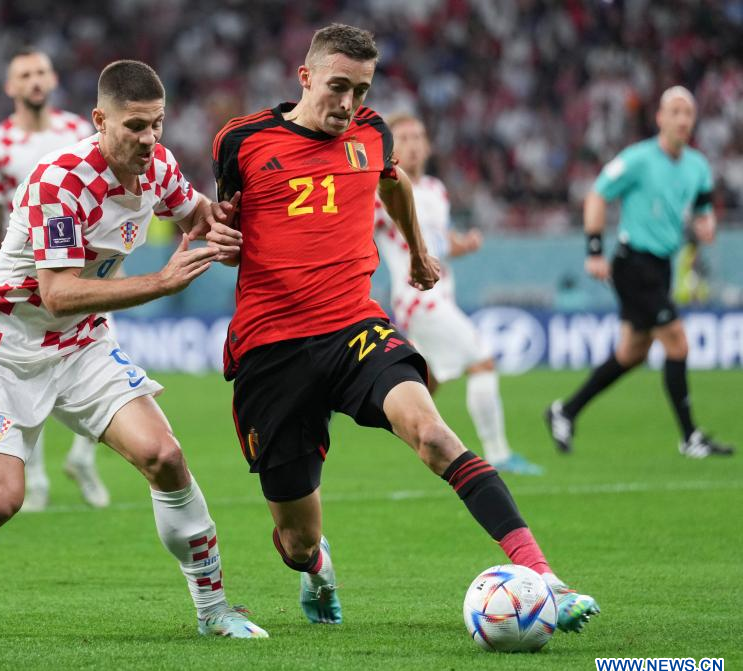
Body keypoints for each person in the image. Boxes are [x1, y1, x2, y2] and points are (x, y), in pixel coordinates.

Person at [210, 23, 597, 631]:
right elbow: (224, 222)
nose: (349, 103)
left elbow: (394, 183)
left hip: (353, 328)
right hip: (271, 348)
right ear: (305, 77)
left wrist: (418, 251)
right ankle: (318, 568)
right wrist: (221, 237)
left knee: (435, 435)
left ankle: (545, 577)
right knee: (297, 541)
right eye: (338, 87)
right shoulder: (242, 141)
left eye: (361, 90)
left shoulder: (371, 134)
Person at [0, 60, 267, 642]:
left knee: (164, 456)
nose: (149, 138)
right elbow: (58, 294)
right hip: (2, 347)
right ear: (100, 120)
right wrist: (161, 282)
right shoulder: (61, 181)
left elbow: (198, 216)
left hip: (81, 345)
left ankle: (213, 610)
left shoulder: (158, 166)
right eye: (135, 126)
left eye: (157, 123)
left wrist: (225, 228)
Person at [545, 86, 734, 459]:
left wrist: (706, 224)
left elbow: (703, 208)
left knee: (632, 352)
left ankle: (565, 411)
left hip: (662, 266)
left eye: (688, 113)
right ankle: (690, 437)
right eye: (674, 111)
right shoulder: (638, 159)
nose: (682, 119)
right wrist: (594, 250)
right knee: (677, 342)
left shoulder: (697, 166)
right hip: (633, 263)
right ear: (660, 118)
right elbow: (598, 194)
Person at [0, 47, 107, 511]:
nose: (34, 80)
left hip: (81, 265)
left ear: (53, 80)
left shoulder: (78, 132)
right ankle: (38, 478)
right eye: (25, 74)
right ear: (10, 86)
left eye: (41, 72)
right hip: (28, 274)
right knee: (32, 368)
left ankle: (82, 457)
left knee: (100, 354)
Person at [373, 114, 542, 475]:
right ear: (391, 147)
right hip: (419, 299)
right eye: (404, 138)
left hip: (440, 295)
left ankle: (370, 415)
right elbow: (358, 225)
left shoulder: (436, 190)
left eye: (418, 136)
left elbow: (439, 243)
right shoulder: (383, 190)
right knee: (481, 362)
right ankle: (498, 454)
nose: (413, 145)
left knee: (425, 382)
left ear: (428, 145)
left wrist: (462, 245)